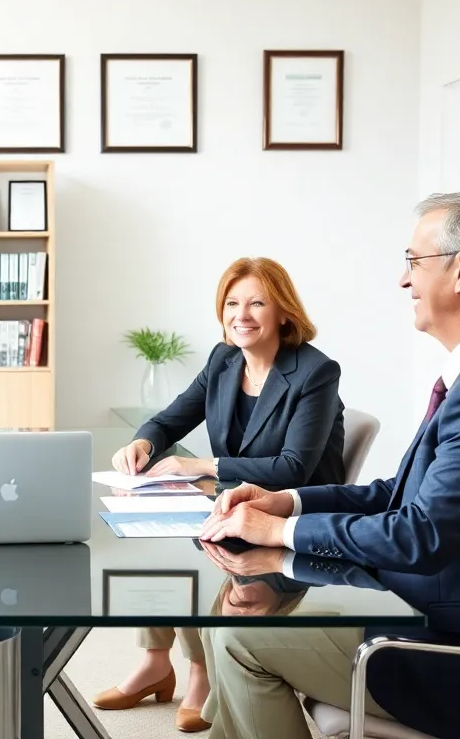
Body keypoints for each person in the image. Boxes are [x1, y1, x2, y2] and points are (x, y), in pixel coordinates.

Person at [197, 189, 460, 739]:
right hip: (429, 613)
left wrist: (280, 530)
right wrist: (286, 501)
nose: (404, 281)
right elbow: (398, 494)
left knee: (240, 637)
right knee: (230, 624)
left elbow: (422, 535)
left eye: (413, 262)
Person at [97, 257, 346, 732]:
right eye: (233, 303)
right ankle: (155, 662)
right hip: (230, 506)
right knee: (153, 551)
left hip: (288, 521)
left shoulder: (315, 372)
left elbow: (293, 467)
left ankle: (199, 673)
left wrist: (204, 465)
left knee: (218, 571)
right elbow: (169, 419)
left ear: (283, 313)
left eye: (257, 303)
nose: (242, 315)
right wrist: (143, 442)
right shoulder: (223, 359)